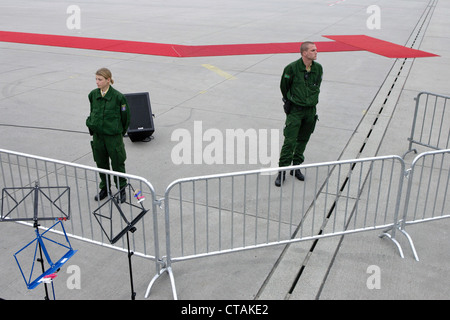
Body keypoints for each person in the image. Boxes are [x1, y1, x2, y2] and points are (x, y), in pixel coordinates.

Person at [275, 41, 323, 187]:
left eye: (316, 50)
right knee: (289, 141)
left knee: (303, 140)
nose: (316, 52)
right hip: (296, 110)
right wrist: (290, 100)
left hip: (310, 111)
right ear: (304, 53)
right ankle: (282, 171)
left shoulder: (318, 68)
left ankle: (295, 167)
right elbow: (284, 87)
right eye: (313, 50)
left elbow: (317, 85)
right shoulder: (291, 68)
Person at [86, 68, 130, 202]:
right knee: (101, 163)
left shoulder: (118, 97)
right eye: (96, 79)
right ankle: (105, 188)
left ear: (108, 80)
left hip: (113, 137)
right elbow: (93, 111)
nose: (97, 82)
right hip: (98, 137)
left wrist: (118, 133)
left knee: (117, 163)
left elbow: (125, 118)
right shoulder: (93, 95)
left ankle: (121, 188)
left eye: (100, 79)